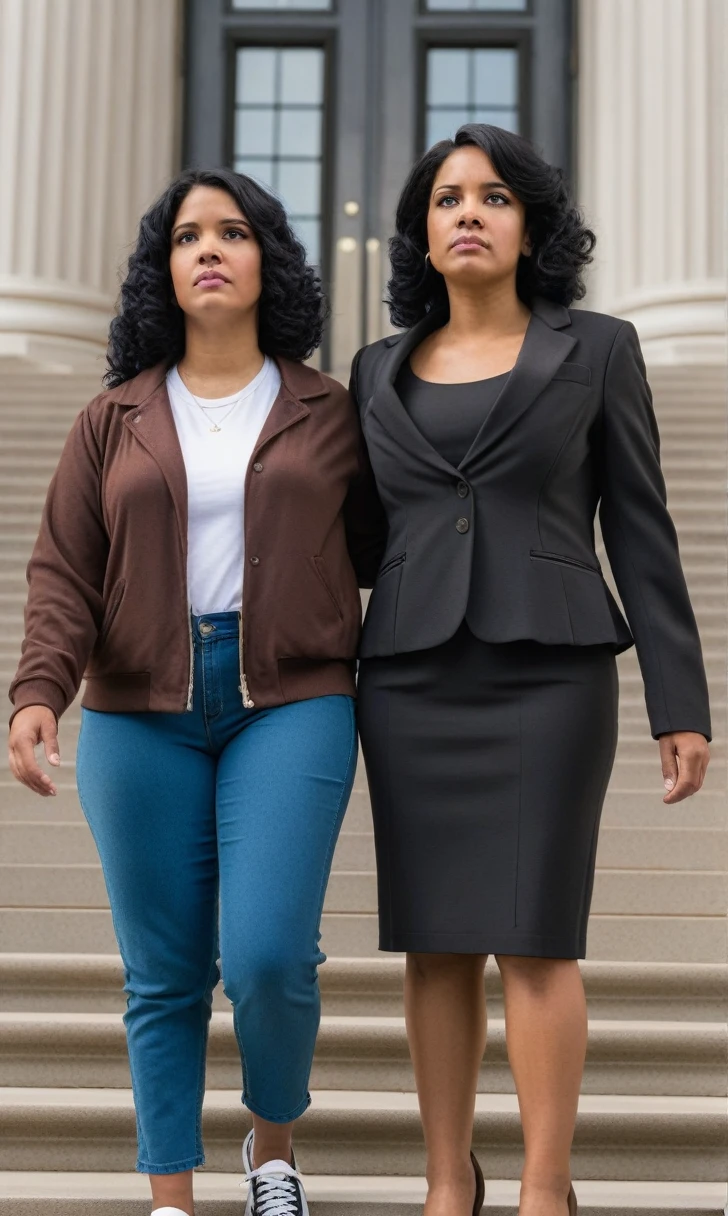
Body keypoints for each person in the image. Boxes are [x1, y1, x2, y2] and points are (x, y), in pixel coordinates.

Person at [350, 125, 711, 1216]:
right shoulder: (372, 368)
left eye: (494, 196)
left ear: (529, 225)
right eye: (448, 197)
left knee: (536, 939)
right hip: (409, 678)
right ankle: (442, 1182)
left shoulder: (596, 348)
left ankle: (544, 1187)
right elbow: (357, 542)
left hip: (550, 676)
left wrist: (677, 699)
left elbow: (641, 530)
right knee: (434, 945)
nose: (469, 211)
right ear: (420, 228)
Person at [7, 167, 377, 1216]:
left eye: (232, 232)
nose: (207, 249)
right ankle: (171, 1194)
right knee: (163, 970)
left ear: (268, 259)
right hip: (139, 712)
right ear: (162, 270)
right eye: (185, 237)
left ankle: (272, 1148)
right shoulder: (110, 418)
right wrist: (40, 690)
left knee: (267, 954)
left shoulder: (328, 410)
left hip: (292, 702)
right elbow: (64, 572)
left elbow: (378, 557)